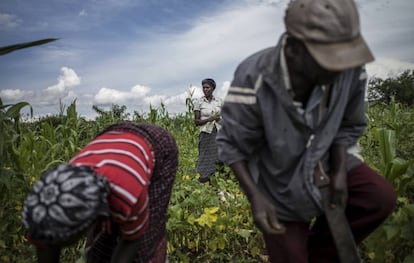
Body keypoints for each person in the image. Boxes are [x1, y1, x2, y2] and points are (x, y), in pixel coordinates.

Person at [216, 0, 396, 262]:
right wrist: (255, 197)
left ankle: (321, 253)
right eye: (328, 60)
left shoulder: (350, 70)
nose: (339, 69)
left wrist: (338, 171)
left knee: (377, 197)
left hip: (327, 157)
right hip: (278, 180)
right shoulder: (253, 75)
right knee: (290, 255)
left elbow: (348, 125)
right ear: (295, 47)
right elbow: (232, 145)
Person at [22, 122, 178, 263]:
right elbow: (46, 247)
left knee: (146, 242)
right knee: (100, 248)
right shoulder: (41, 212)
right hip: (112, 134)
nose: (54, 244)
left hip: (157, 145)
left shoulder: (128, 193)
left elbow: (132, 240)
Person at [194, 78, 223, 183]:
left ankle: (218, 177)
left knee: (219, 155)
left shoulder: (219, 101)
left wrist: (219, 119)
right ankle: (203, 178)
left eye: (207, 87)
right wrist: (209, 119)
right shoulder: (199, 102)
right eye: (204, 87)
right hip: (206, 133)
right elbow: (196, 122)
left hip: (219, 131)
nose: (205, 89)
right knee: (205, 156)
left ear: (213, 89)